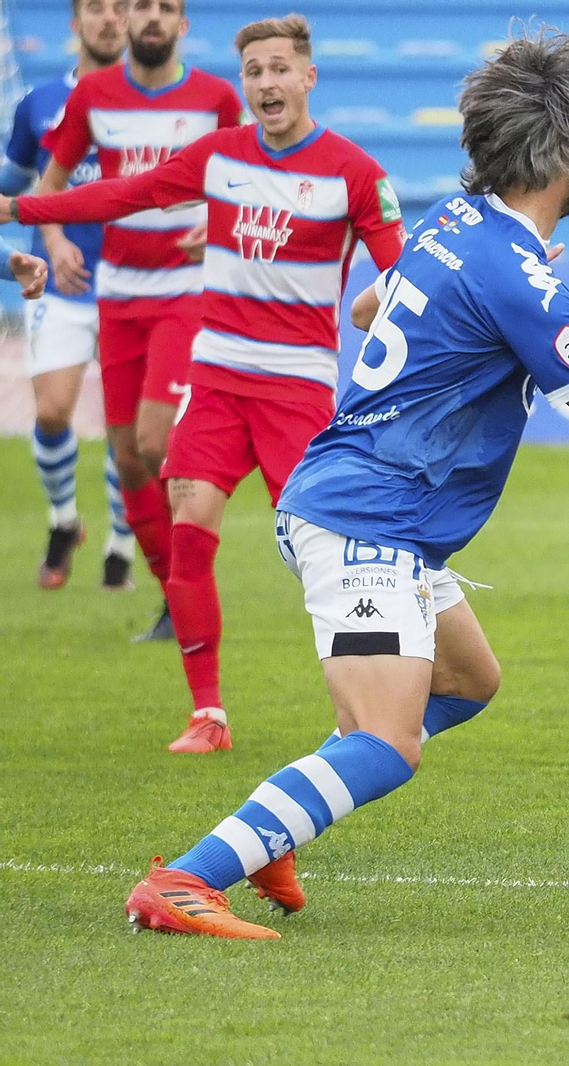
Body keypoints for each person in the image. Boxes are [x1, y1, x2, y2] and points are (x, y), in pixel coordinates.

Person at [118, 30, 569, 939]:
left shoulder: (450, 222)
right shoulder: (524, 279)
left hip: (383, 513)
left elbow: (369, 303)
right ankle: (186, 879)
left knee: (467, 679)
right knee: (387, 742)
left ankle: (277, 828)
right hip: (364, 519)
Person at [3, 14, 406, 754]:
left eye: (279, 68)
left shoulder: (354, 172)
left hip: (297, 390)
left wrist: (379, 303)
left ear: (307, 77)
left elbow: (402, 272)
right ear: (243, 82)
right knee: (188, 523)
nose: (266, 84)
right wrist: (20, 209)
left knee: (322, 554)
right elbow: (121, 196)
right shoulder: (218, 157)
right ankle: (208, 714)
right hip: (218, 377)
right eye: (254, 71)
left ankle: (363, 707)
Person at [37, 0, 244, 641]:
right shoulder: (95, 95)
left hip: (185, 292)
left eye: (167, 8)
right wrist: (56, 242)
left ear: (183, 24)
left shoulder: (215, 98)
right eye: (142, 8)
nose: (152, 18)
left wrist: (216, 220)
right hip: (116, 294)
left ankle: (184, 595)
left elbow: (249, 180)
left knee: (157, 444)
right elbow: (51, 185)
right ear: (124, 22)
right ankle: (172, 601)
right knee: (127, 459)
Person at [3, 0, 132, 590]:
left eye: (120, 9)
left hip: (134, 283)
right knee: (53, 410)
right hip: (65, 282)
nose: (110, 19)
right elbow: (14, 179)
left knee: (126, 424)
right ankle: (63, 521)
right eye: (97, 9)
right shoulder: (42, 104)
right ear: (75, 22)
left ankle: (121, 546)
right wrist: (47, 240)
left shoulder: (155, 107)